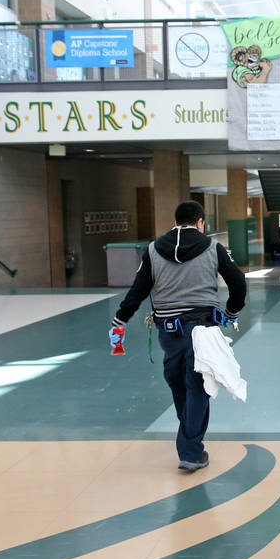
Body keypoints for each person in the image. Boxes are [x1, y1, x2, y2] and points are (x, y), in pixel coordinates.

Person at [110, 200, 246, 471]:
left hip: (169, 332)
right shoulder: (212, 247)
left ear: (176, 221)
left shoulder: (153, 250)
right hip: (202, 331)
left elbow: (138, 290)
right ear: (200, 222)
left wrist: (120, 320)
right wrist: (231, 313)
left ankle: (189, 437)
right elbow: (238, 284)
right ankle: (191, 450)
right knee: (198, 386)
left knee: (178, 382)